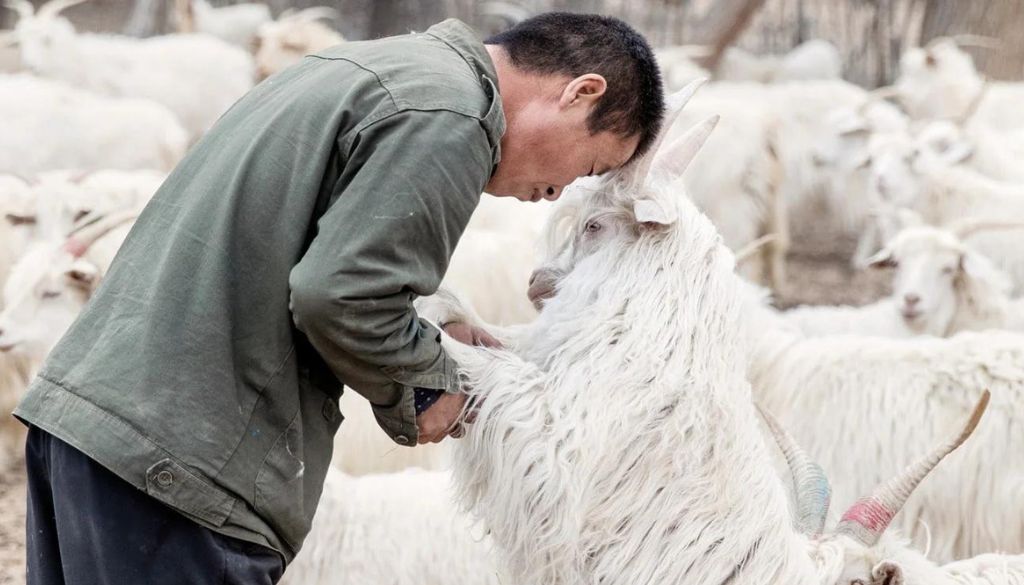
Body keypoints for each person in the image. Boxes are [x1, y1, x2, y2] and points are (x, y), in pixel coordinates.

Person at [14, 11, 665, 584]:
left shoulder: (369, 67)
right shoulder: (453, 113)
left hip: (89, 430)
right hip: (179, 469)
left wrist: (434, 333)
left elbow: (308, 256)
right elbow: (341, 296)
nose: (558, 192)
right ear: (581, 93)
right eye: (590, 168)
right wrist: (427, 385)